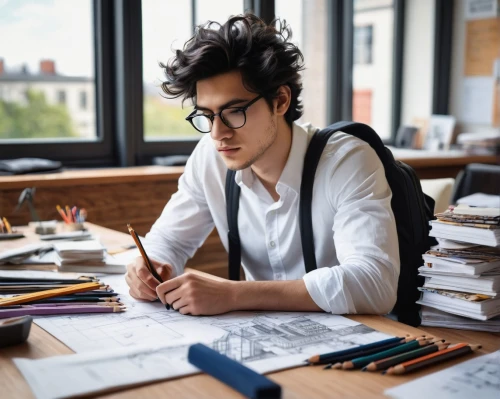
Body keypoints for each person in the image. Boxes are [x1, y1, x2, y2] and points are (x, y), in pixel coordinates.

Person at [125, 14, 399, 316]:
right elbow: (168, 242)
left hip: (358, 344)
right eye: (207, 114)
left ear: (280, 101)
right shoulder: (211, 157)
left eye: (234, 111)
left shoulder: (346, 161)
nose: (218, 133)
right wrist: (148, 267)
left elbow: (375, 284)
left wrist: (234, 294)